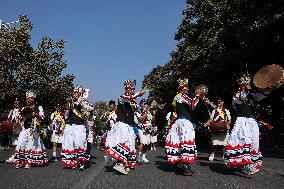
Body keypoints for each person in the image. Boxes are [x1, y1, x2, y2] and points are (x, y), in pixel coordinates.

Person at [224, 74, 268, 175]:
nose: (247, 86)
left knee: (255, 142)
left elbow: (261, 96)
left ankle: (249, 163)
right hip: (242, 122)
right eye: (244, 85)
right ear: (240, 86)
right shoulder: (236, 95)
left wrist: (268, 89)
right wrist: (246, 90)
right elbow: (242, 98)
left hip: (252, 121)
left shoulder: (252, 95)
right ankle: (247, 165)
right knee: (245, 141)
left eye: (247, 84)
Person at [105, 79, 146, 175]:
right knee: (122, 143)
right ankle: (119, 163)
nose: (130, 91)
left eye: (131, 90)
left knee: (130, 145)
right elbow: (131, 97)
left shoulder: (134, 104)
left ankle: (125, 163)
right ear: (125, 90)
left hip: (129, 127)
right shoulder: (122, 98)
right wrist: (141, 92)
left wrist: (146, 110)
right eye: (128, 90)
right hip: (122, 126)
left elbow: (138, 118)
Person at [165, 78, 202, 175]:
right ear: (181, 89)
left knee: (179, 141)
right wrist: (197, 96)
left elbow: (191, 106)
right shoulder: (182, 96)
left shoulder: (179, 97)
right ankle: (184, 164)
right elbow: (193, 104)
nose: (185, 89)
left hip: (180, 122)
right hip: (184, 122)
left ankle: (180, 163)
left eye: (186, 87)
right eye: (183, 87)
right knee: (186, 140)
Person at [13, 91, 48, 169]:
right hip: (25, 129)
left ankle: (29, 162)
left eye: (28, 99)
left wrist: (36, 115)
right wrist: (21, 118)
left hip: (34, 129)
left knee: (31, 145)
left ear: (32, 99)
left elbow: (42, 118)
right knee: (21, 143)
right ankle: (20, 161)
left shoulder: (38, 107)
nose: (27, 100)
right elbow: (21, 117)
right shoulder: (25, 108)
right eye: (27, 99)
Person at [61, 86, 91, 171]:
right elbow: (66, 114)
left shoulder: (84, 101)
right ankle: (72, 162)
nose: (75, 94)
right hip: (69, 125)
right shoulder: (70, 101)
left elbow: (90, 110)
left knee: (79, 143)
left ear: (80, 93)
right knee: (69, 143)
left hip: (79, 125)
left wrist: (79, 103)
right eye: (74, 92)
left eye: (77, 92)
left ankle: (81, 162)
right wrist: (68, 104)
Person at [135, 99, 152, 163]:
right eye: (144, 103)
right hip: (141, 129)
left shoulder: (149, 111)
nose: (145, 105)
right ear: (141, 104)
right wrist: (146, 113)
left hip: (147, 129)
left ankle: (144, 156)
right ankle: (138, 156)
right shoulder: (138, 111)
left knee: (147, 143)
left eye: (145, 103)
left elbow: (152, 120)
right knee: (143, 142)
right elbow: (141, 119)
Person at [6, 98, 23, 163]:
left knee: (20, 143)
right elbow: (8, 119)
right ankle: (14, 156)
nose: (17, 104)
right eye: (15, 103)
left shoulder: (22, 110)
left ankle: (20, 157)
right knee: (14, 143)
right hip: (14, 128)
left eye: (18, 103)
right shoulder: (12, 111)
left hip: (21, 128)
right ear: (13, 104)